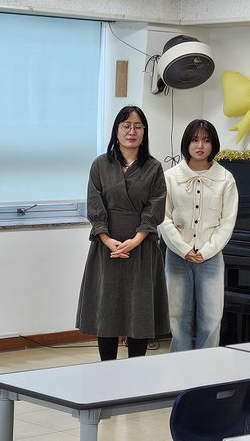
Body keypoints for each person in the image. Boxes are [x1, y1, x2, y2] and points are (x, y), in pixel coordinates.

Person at [76, 106, 169, 361]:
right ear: (116, 131)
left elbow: (155, 206)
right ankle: (107, 369)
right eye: (126, 126)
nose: (132, 131)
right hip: (107, 248)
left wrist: (136, 240)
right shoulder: (100, 165)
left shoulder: (153, 167)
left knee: (139, 313)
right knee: (107, 311)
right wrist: (108, 240)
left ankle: (135, 373)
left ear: (144, 132)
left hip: (141, 248)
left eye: (138, 126)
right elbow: (95, 204)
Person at [157, 119, 239, 351]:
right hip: (177, 256)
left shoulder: (225, 178)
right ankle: (179, 367)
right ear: (187, 143)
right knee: (178, 319)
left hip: (210, 257)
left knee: (211, 319)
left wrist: (206, 251)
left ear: (213, 144)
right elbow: (163, 218)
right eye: (194, 140)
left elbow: (227, 221)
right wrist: (183, 249)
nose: (200, 145)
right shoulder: (170, 177)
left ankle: (206, 368)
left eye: (206, 140)